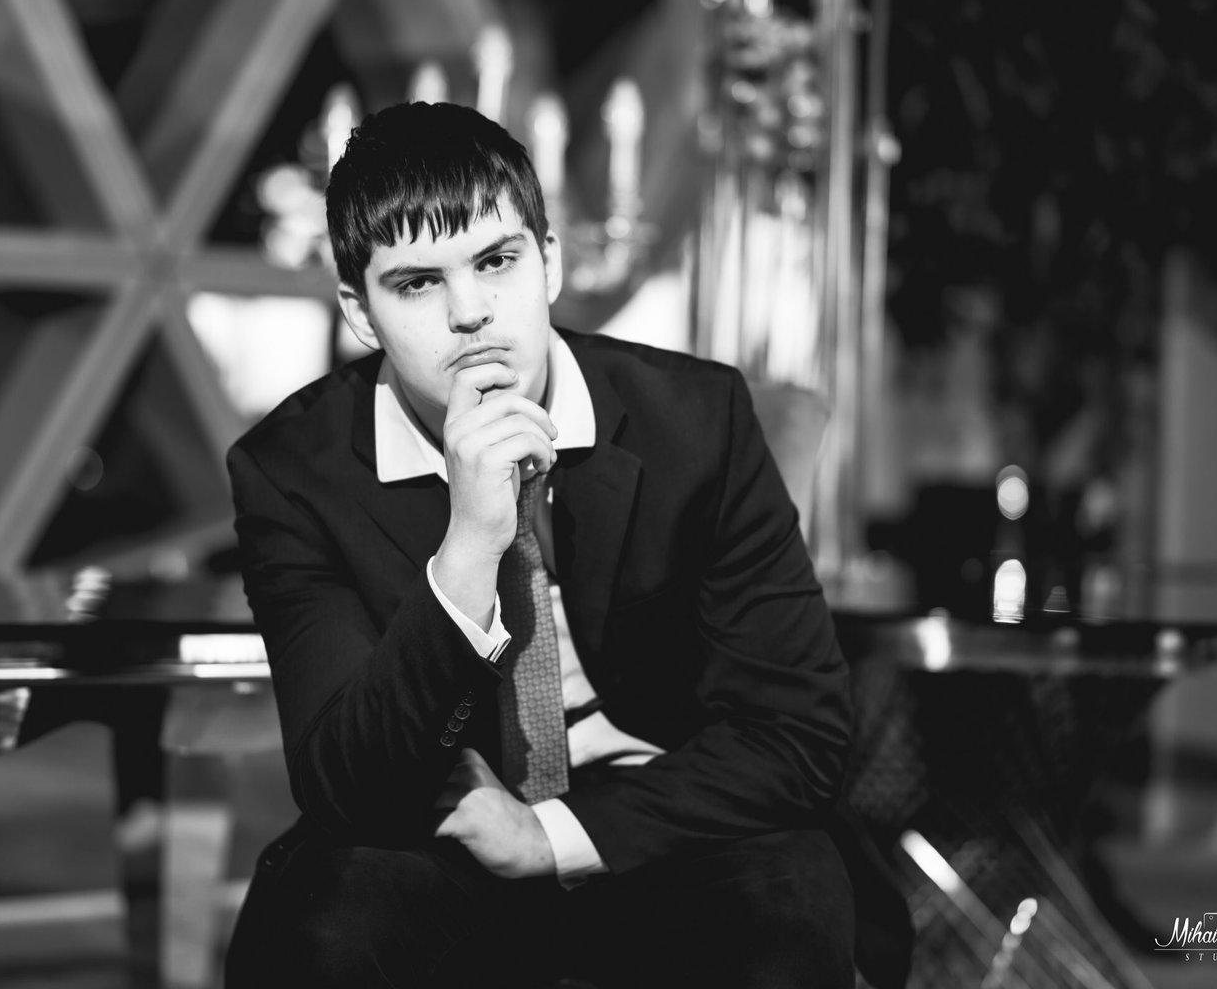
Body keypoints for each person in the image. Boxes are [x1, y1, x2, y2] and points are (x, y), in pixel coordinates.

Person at [224, 101, 855, 988]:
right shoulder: (294, 472)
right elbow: (346, 787)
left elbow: (799, 732)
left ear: (549, 262)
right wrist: (471, 548)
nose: (471, 313)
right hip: (440, 836)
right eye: (417, 284)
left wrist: (550, 837)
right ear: (361, 311)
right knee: (329, 929)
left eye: (496, 261)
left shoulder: (694, 421)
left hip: (660, 820)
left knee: (794, 900)